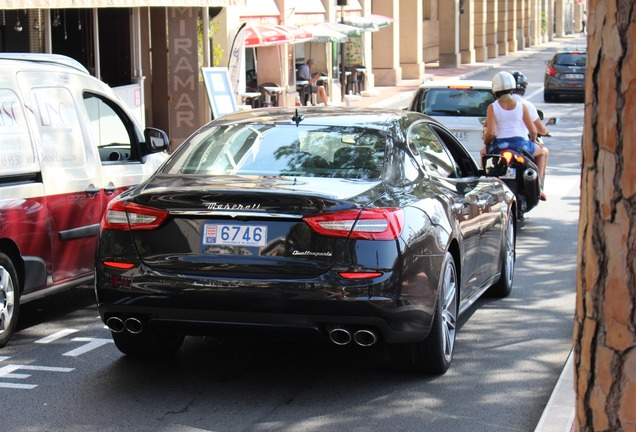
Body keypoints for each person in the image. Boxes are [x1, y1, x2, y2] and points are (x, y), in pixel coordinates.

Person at [482, 71, 547, 200]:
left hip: (499, 146)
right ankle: (538, 186)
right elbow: (533, 131)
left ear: (495, 90)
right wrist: (534, 141)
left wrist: (487, 142)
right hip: (521, 146)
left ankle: (485, 183)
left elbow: (490, 132)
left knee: (483, 153)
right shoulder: (521, 106)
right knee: (542, 153)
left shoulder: (492, 107)